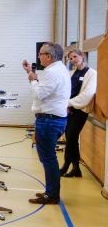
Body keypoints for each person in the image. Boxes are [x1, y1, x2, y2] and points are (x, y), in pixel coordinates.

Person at [23, 43, 71, 204]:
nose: (38, 56)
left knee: (48, 158)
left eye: (41, 54)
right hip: (53, 119)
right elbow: (45, 87)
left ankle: (52, 194)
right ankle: (51, 191)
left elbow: (39, 94)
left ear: (49, 56)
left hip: (49, 120)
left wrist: (32, 80)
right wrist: (32, 73)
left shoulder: (52, 72)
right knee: (49, 158)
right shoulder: (58, 70)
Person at [61, 49, 97, 178]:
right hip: (70, 110)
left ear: (82, 56)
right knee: (70, 138)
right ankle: (75, 168)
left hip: (80, 110)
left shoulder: (92, 73)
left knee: (71, 137)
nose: (73, 60)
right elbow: (67, 91)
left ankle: (67, 165)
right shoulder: (72, 73)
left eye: (75, 56)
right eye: (70, 58)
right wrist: (67, 105)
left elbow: (87, 95)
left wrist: (68, 103)